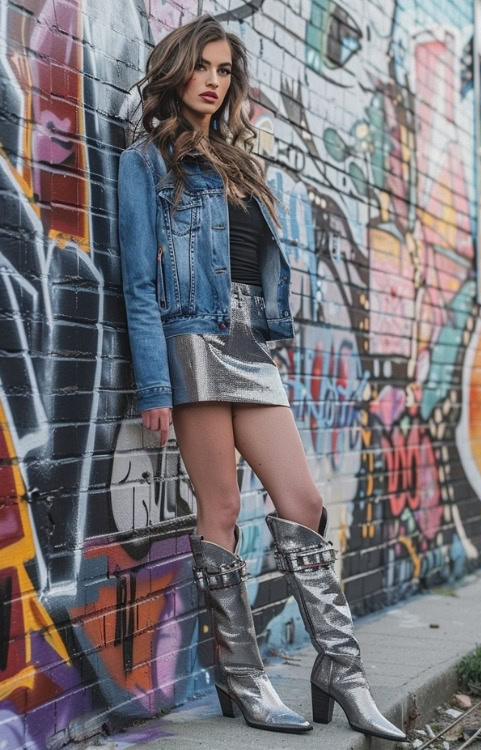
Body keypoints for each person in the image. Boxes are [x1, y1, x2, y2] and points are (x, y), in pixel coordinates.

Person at [117, 12, 408, 742]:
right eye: (202, 67)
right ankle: (243, 678)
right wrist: (156, 386)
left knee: (302, 502)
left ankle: (340, 669)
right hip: (193, 343)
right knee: (219, 510)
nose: (213, 82)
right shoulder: (146, 162)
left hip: (250, 344)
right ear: (176, 70)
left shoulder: (240, 163)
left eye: (224, 71)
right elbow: (139, 286)